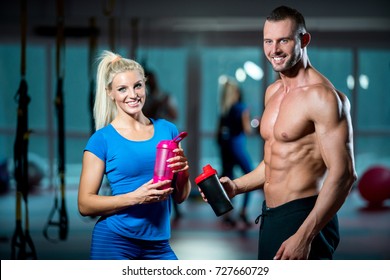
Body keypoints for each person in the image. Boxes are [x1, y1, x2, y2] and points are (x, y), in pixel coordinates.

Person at [199, 5, 357, 260]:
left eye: (283, 40)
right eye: (268, 41)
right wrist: (236, 186)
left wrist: (304, 236)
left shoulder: (323, 97)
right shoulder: (273, 92)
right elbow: (274, 161)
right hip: (271, 215)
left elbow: (344, 175)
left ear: (303, 40)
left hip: (305, 217)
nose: (274, 50)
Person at [77, 50, 191, 260]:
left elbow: (181, 196)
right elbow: (85, 204)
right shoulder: (101, 140)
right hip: (114, 241)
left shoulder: (168, 131)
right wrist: (136, 197)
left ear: (145, 85)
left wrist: (183, 172)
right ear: (110, 93)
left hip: (158, 244)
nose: (133, 94)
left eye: (137, 85)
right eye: (122, 89)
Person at [142, 70, 182, 220]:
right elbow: (143, 116)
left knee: (172, 172)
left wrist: (163, 104)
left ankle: (175, 207)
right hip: (149, 138)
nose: (150, 83)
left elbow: (174, 114)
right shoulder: (144, 99)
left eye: (151, 80)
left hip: (164, 140)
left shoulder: (166, 96)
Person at [216, 78, 254, 228]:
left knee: (227, 179)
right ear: (237, 92)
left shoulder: (224, 110)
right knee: (249, 175)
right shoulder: (242, 108)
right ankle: (244, 211)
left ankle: (227, 213)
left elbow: (218, 133)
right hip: (237, 146)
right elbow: (248, 130)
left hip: (225, 147)